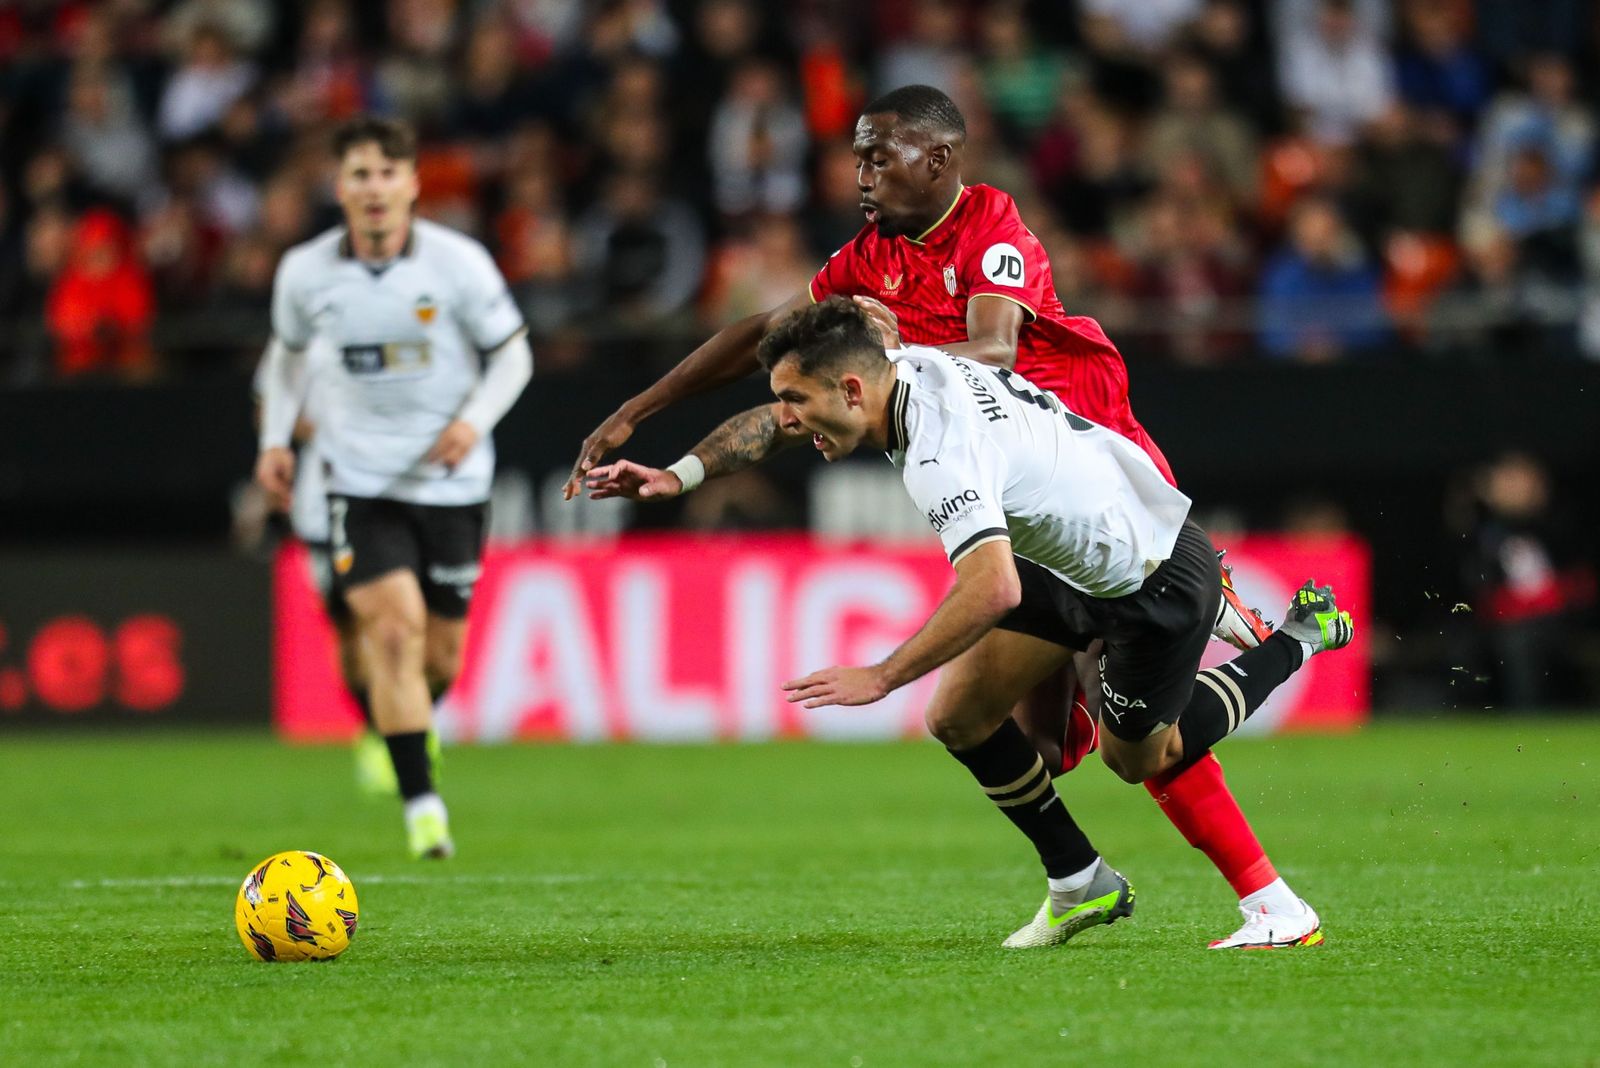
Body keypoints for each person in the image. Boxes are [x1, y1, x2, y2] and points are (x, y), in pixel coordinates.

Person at [565, 84, 1310, 948]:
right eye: (856, 156)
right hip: (1021, 507)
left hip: (1097, 483)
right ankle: (1081, 880)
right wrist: (650, 426)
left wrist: (883, 356)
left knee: (1136, 745)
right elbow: (774, 352)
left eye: (880, 155)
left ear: (941, 159)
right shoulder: (865, 270)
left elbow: (993, 347)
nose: (862, 173)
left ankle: (1268, 873)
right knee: (1008, 730)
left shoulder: (989, 230)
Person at [255, 116, 532, 859]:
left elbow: (513, 357)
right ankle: (423, 809)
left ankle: (399, 726)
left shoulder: (459, 264)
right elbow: (283, 361)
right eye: (359, 174)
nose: (373, 188)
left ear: (412, 184)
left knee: (440, 658)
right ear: (339, 186)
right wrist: (275, 442)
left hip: (452, 483)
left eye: (386, 173)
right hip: (358, 482)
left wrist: (472, 423)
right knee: (391, 631)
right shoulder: (305, 272)